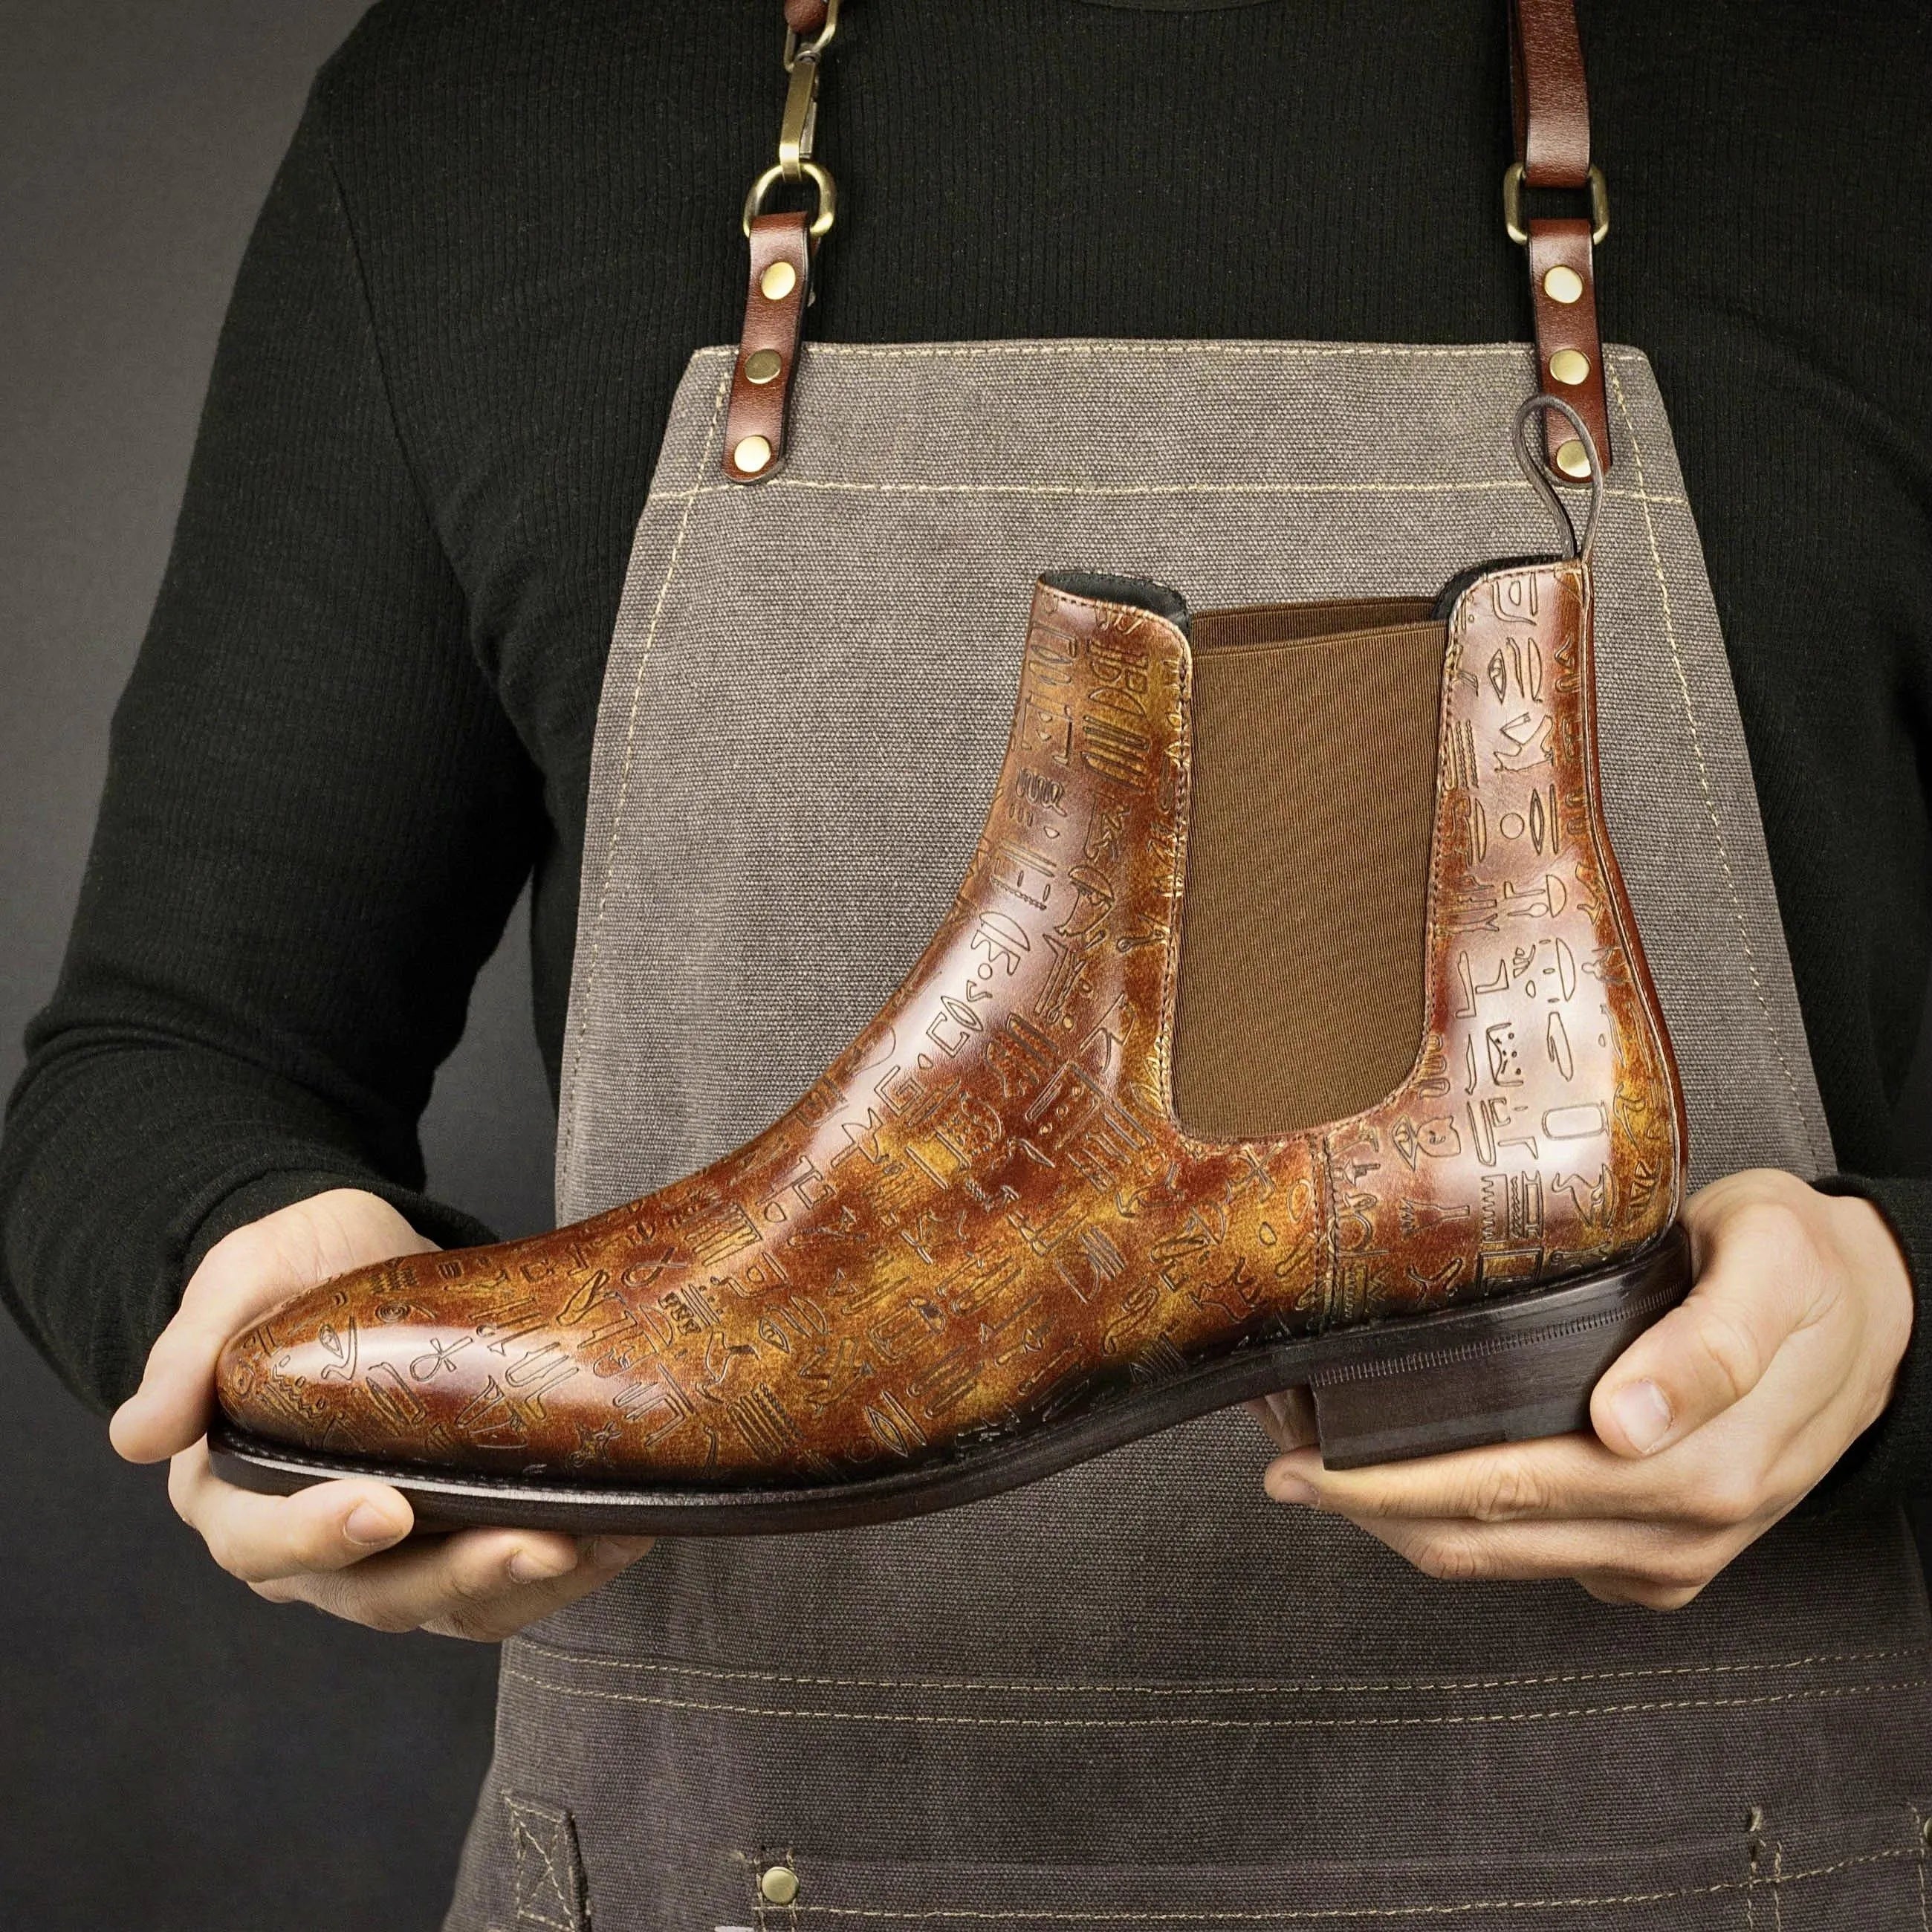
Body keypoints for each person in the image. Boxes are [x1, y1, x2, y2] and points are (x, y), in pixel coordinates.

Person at [4, 4, 1929, 1927]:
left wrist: (1893, 1310)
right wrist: (246, 1267)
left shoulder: (1853, 99)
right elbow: (160, 1066)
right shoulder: (502, 98)